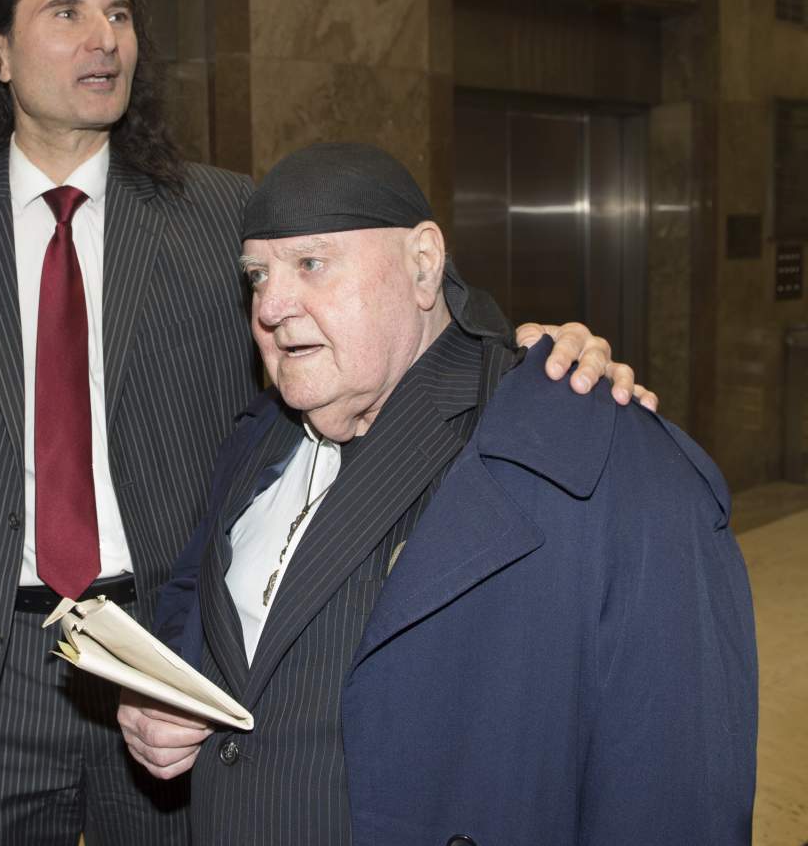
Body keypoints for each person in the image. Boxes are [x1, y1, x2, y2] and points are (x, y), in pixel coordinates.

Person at [0, 0, 647, 846]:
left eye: (121, 15)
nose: (107, 38)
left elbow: (373, 315)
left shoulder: (218, 213)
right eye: (68, 13)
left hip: (163, 653)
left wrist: (535, 348)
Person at [119, 143, 757, 846]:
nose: (269, 305)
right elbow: (194, 596)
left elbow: (673, 793)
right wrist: (162, 691)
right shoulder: (255, 439)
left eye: (312, 263)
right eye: (256, 275)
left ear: (423, 264)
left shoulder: (599, 456)